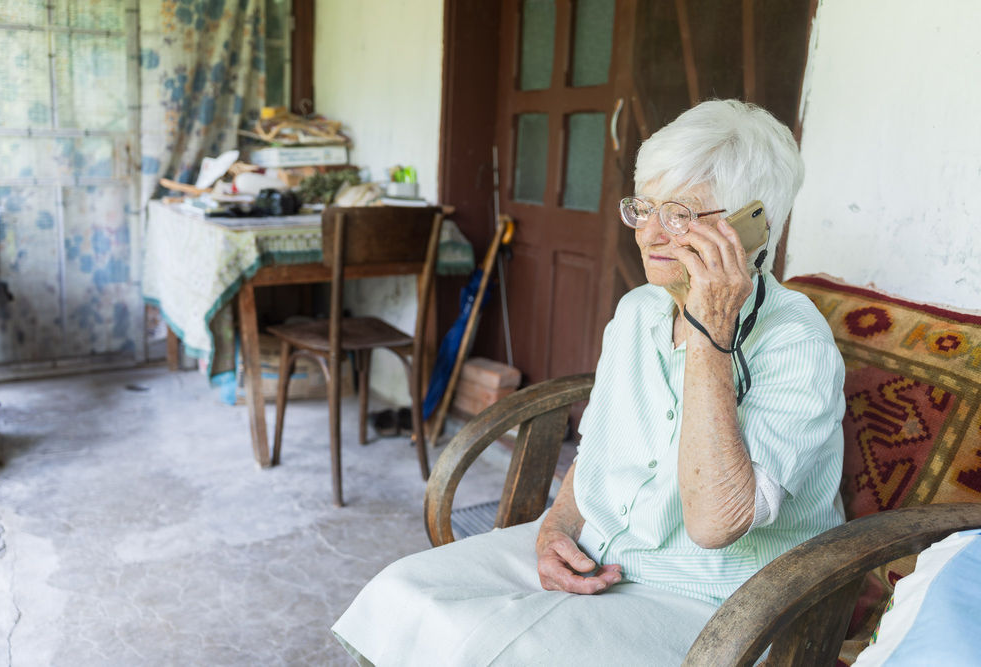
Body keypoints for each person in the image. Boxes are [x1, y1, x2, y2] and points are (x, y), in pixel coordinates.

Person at [332, 99, 846, 665]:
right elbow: (598, 449)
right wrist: (555, 529)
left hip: (718, 603)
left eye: (679, 213)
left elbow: (713, 524)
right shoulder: (638, 311)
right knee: (402, 595)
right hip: (600, 554)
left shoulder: (797, 343)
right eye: (643, 207)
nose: (650, 232)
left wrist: (710, 332)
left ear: (751, 227)